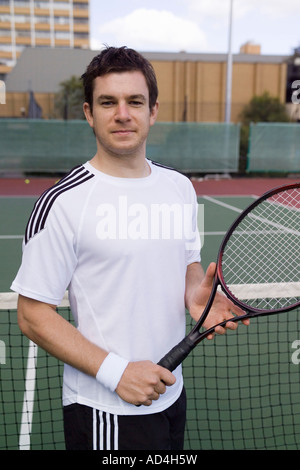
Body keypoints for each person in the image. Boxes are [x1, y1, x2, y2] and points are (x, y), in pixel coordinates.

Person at [11, 46, 248, 451]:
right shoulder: (62, 202)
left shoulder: (179, 188)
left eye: (135, 101)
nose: (123, 113)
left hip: (170, 393)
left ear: (152, 111)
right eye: (108, 102)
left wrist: (195, 294)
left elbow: (188, 263)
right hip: (106, 408)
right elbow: (32, 316)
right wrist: (117, 372)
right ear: (89, 113)